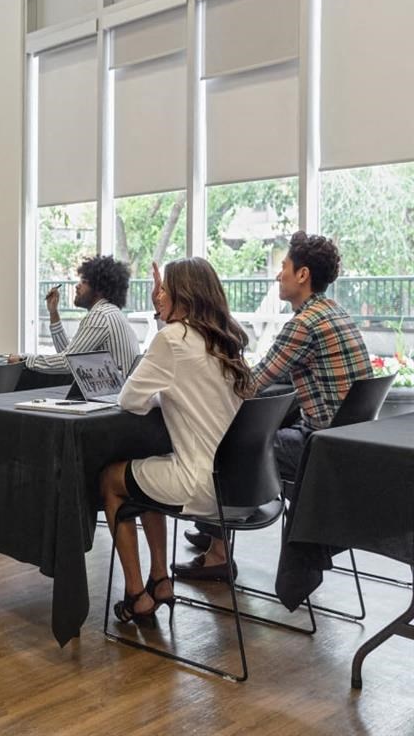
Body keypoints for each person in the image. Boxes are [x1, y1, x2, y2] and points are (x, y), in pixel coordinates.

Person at [177, 232, 373, 581]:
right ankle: (211, 531)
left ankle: (219, 552)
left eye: (283, 267)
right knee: (257, 429)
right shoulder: (335, 312)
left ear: (303, 275)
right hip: (349, 445)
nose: (278, 274)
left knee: (228, 448)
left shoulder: (302, 325)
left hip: (322, 451)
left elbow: (251, 385)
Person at [98, 258, 252, 626]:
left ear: (185, 294)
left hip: (199, 484)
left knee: (111, 479)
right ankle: (160, 580)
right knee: (149, 464)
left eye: (164, 288)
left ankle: (137, 593)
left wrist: (161, 392)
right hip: (240, 485)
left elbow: (129, 399)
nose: (158, 293)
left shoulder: (173, 339)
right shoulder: (226, 338)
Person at [10, 255, 139, 375]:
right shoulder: (111, 313)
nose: (77, 286)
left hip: (113, 397)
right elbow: (70, 354)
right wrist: (53, 313)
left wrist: (25, 360)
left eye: (84, 282)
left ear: (99, 288)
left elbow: (68, 362)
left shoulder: (100, 316)